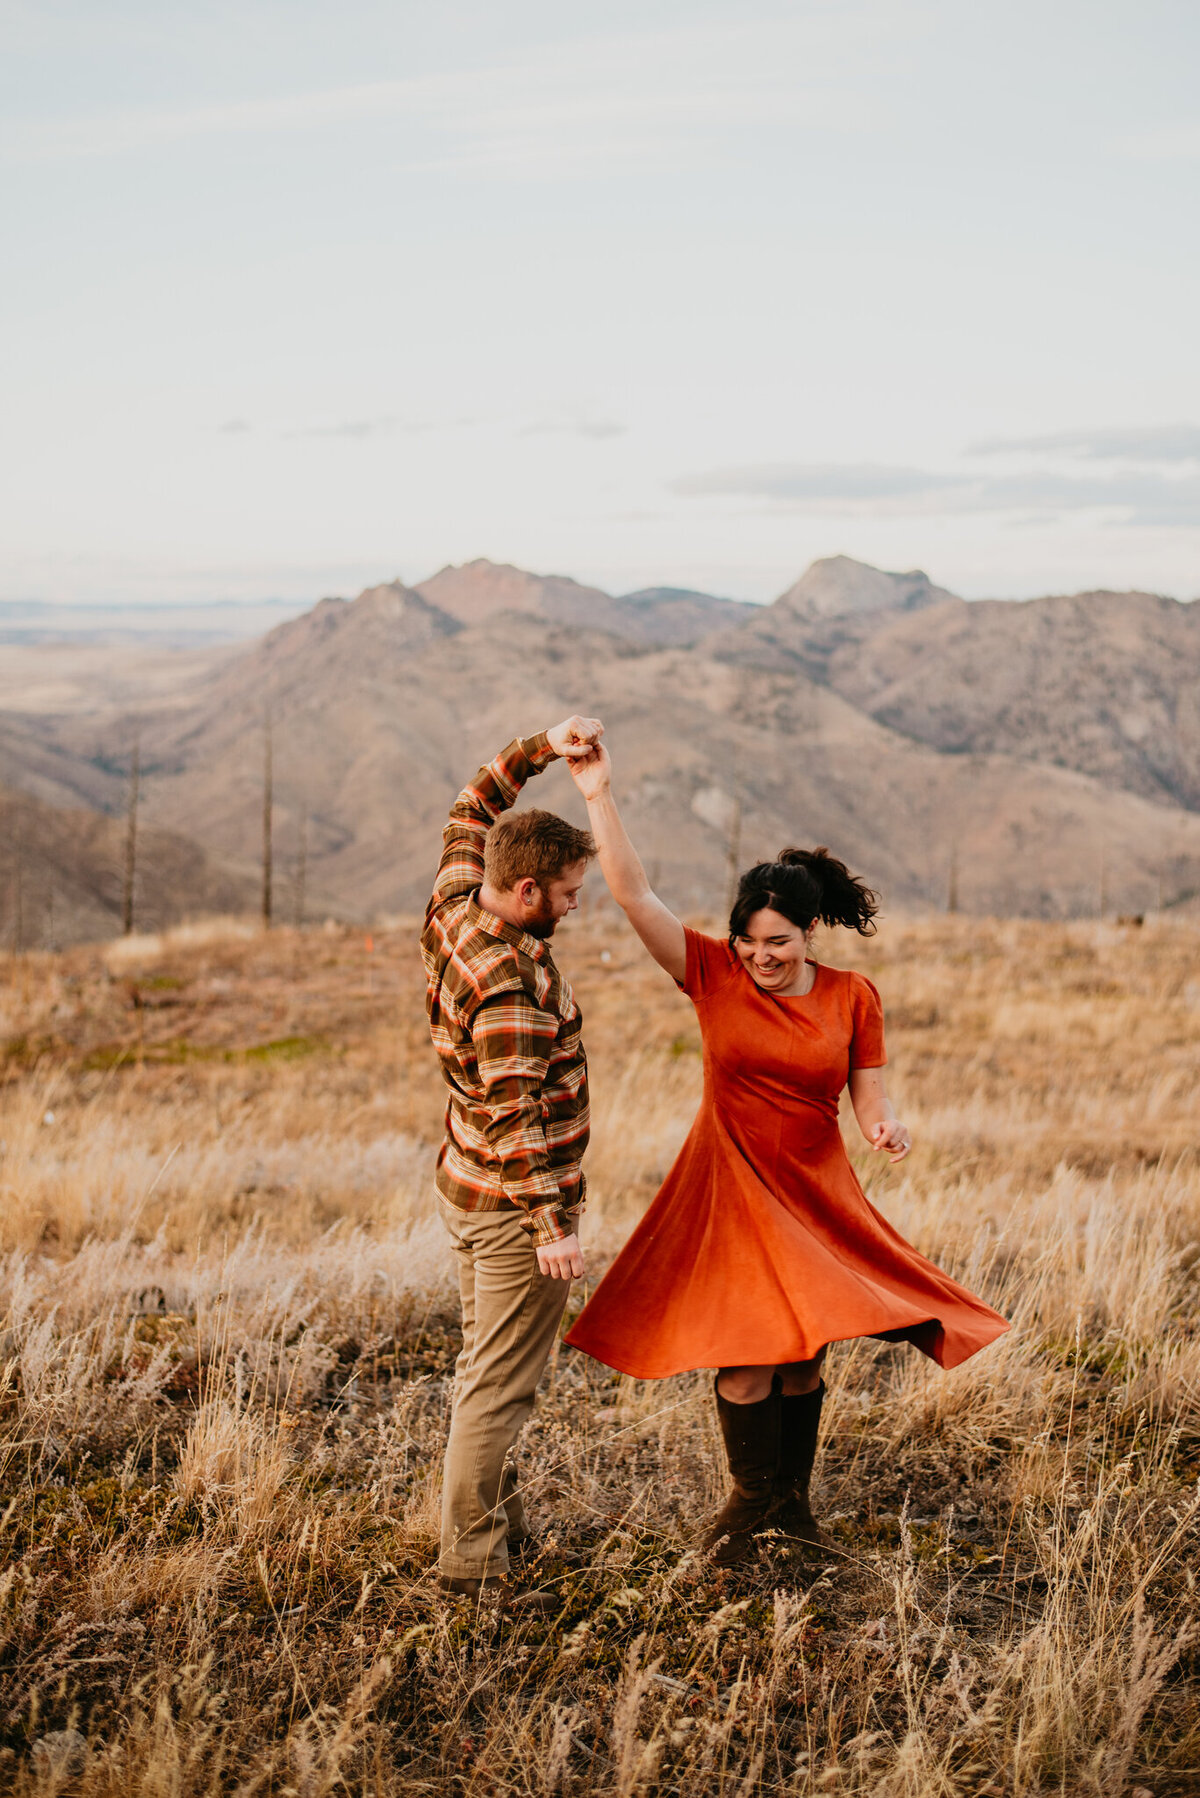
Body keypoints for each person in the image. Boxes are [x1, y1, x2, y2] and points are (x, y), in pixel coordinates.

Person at [562, 741, 1009, 1565]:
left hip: (813, 1194)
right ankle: (747, 1510)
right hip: (729, 1190)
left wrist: (885, 1128)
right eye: (747, 941)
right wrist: (599, 792)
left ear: (808, 931)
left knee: (802, 1358)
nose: (760, 957)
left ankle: (793, 1509)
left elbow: (867, 1093)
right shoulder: (710, 974)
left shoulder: (852, 995)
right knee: (746, 1361)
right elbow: (633, 892)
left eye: (776, 942)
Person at [422, 715, 603, 1602]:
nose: (575, 906)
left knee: (484, 1369)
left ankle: (494, 1528)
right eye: (569, 893)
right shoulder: (511, 987)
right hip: (506, 1207)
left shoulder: (458, 904)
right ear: (527, 890)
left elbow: (469, 808)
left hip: (465, 1184)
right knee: (498, 1388)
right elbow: (515, 1115)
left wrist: (542, 748)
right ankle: (471, 1568)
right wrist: (551, 1227)